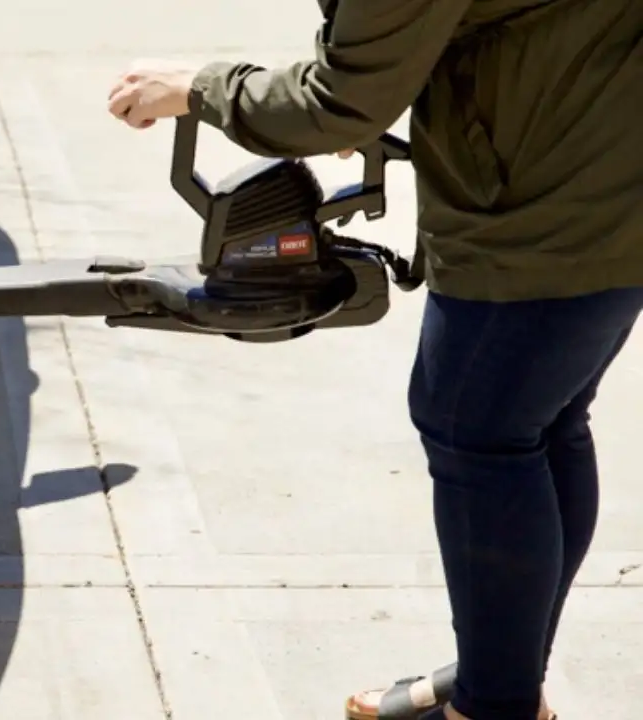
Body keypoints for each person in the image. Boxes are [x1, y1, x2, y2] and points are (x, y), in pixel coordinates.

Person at [106, 0, 641, 718]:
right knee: (541, 427)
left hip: (538, 218)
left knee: (479, 434)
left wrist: (203, 87)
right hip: (605, 172)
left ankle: (496, 703)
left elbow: (339, 101)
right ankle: (501, 671)